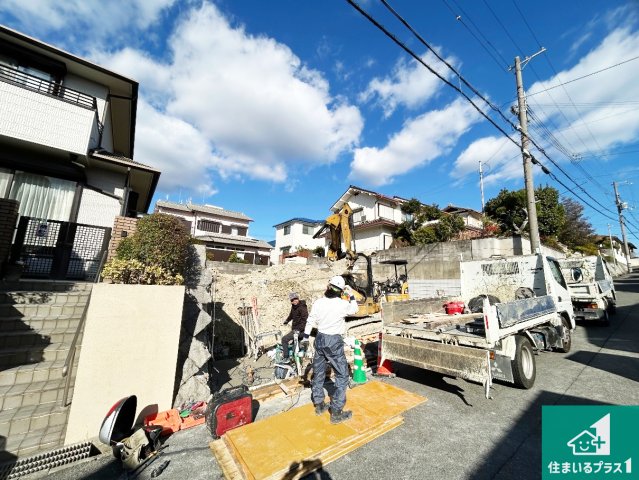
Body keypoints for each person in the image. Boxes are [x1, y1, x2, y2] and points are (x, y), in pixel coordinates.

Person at [302, 275, 358, 424]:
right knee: (342, 375)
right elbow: (355, 309)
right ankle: (336, 412)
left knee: (319, 372)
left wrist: (305, 339)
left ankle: (319, 405)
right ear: (341, 291)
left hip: (320, 339)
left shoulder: (319, 302)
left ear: (328, 287)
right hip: (333, 341)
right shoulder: (342, 304)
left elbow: (310, 321)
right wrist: (351, 294)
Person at [280, 292, 308, 363]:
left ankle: (286, 357)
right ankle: (296, 361)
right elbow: (291, 315)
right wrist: (287, 320)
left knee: (284, 339)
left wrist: (298, 330)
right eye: (292, 300)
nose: (294, 301)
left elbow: (305, 320)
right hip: (296, 330)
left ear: (298, 298)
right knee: (294, 346)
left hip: (301, 331)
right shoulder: (293, 307)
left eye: (295, 299)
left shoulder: (302, 307)